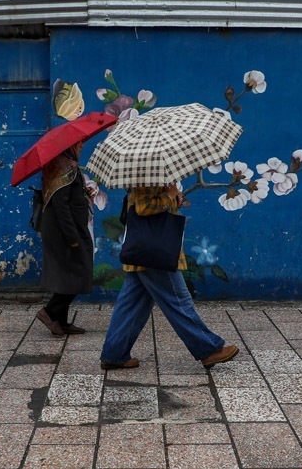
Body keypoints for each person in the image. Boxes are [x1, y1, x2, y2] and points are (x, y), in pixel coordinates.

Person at [100, 184, 239, 370]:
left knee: (132, 304)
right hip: (155, 253)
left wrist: (173, 197)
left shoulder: (152, 174)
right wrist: (170, 194)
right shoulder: (146, 174)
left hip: (144, 252)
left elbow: (153, 204)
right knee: (179, 302)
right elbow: (143, 207)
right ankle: (209, 350)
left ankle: (114, 353)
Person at [36, 142, 92, 336]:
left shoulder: (68, 166)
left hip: (69, 229)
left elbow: (70, 196)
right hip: (64, 231)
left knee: (67, 274)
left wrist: (84, 195)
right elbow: (61, 207)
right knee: (77, 271)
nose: (82, 146)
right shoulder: (63, 168)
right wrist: (73, 238)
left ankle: (62, 321)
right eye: (79, 144)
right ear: (68, 146)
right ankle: (49, 312)